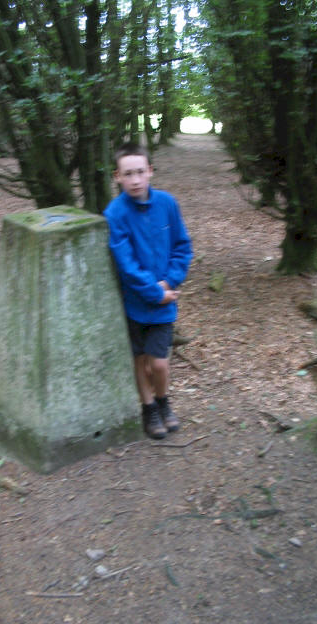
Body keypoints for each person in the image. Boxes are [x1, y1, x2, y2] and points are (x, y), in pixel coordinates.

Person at [104, 143, 192, 440]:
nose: (136, 180)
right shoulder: (115, 213)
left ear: (150, 171)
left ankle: (164, 402)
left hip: (164, 301)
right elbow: (126, 264)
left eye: (141, 172)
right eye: (128, 174)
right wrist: (155, 292)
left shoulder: (167, 203)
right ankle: (148, 408)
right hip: (134, 303)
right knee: (139, 360)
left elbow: (182, 246)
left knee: (159, 362)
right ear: (118, 177)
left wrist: (169, 282)